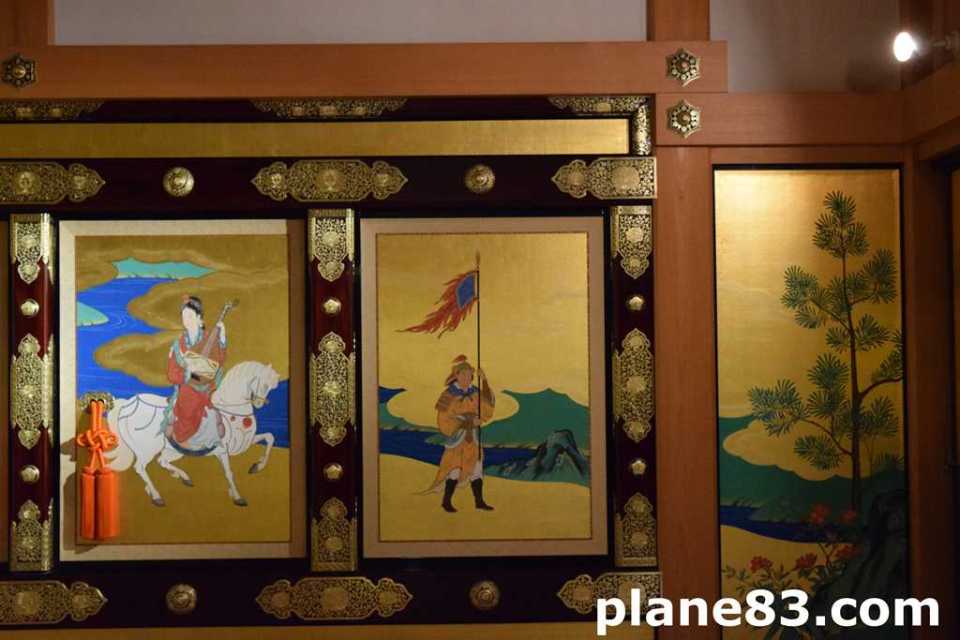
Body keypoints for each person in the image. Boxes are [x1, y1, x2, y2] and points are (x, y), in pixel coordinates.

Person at [426, 355, 496, 512]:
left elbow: (488, 406)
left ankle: (479, 502)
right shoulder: (448, 395)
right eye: (463, 374)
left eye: (469, 375)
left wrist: (484, 381)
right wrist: (466, 422)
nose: (466, 377)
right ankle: (446, 502)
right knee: (454, 470)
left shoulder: (475, 392)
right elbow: (443, 421)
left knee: (477, 469)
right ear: (456, 375)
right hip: (458, 440)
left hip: (473, 439)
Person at [163, 295, 227, 453]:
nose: (187, 320)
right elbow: (171, 373)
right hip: (186, 387)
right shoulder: (178, 345)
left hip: (206, 386)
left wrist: (222, 339)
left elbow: (218, 362)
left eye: (190, 316)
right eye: (184, 317)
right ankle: (182, 437)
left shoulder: (210, 338)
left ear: (199, 319)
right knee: (188, 402)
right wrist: (187, 374)